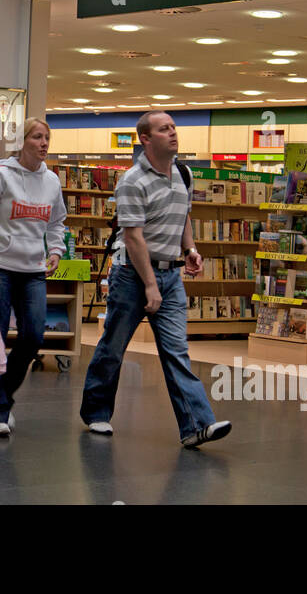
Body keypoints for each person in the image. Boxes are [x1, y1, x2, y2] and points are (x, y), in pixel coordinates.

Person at [79, 110, 232, 449]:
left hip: (171, 275)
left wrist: (190, 247)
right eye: (164, 129)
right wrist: (149, 283)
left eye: (174, 127)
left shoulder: (183, 173)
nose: (173, 133)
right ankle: (96, 411)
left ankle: (196, 425)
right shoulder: (132, 181)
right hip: (132, 275)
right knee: (113, 348)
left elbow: (184, 216)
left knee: (177, 351)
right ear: (145, 139)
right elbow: (133, 237)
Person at [0, 117, 67, 437]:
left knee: (34, 336)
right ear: (22, 141)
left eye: (47, 137)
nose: (44, 143)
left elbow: (58, 222)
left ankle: (2, 399)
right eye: (37, 137)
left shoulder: (52, 182)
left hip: (33, 271)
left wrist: (56, 250)